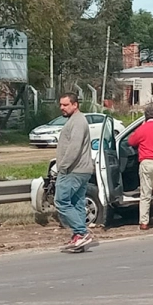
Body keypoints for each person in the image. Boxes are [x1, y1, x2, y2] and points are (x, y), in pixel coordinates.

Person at [54, 93, 96, 250]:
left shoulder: (78, 121)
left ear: (75, 105)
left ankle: (81, 232)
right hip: (80, 170)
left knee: (61, 201)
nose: (62, 108)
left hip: (74, 170)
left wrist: (63, 167)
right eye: (61, 105)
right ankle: (79, 239)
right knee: (77, 203)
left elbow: (74, 147)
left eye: (65, 105)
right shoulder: (75, 120)